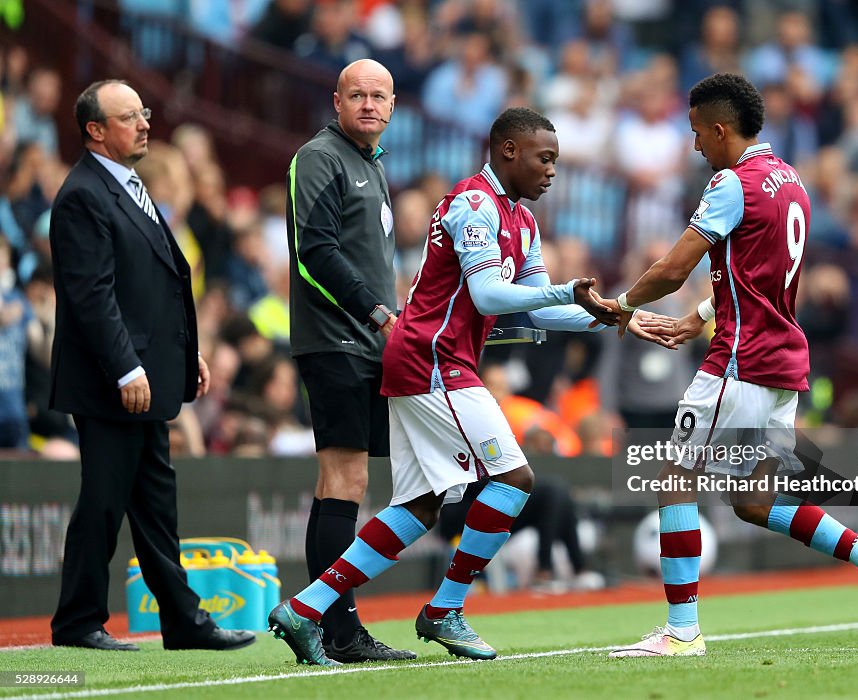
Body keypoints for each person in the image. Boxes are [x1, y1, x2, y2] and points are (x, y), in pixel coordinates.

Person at [269, 107, 661, 665]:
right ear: (508, 151)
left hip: (434, 361)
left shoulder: (522, 221)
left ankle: (304, 608)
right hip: (433, 359)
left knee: (421, 504)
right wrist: (565, 292)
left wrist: (615, 316)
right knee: (514, 478)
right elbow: (489, 296)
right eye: (544, 158)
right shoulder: (475, 203)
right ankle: (445, 609)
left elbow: (539, 310)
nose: (552, 171)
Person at [600, 73, 858, 658]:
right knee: (752, 501)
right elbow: (762, 275)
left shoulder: (731, 183)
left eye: (698, 131)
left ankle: (681, 631)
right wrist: (702, 314)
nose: (695, 143)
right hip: (782, 363)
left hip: (740, 362)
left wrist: (619, 306)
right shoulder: (790, 180)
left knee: (675, 477)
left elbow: (672, 268)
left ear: (721, 129)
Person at [48, 79, 254, 652]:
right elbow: (92, 295)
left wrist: (185, 355)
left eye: (144, 112)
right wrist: (125, 368)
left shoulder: (127, 183)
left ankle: (184, 622)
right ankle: (78, 621)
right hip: (111, 381)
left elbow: (156, 285)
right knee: (104, 500)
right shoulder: (83, 194)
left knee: (156, 505)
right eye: (128, 117)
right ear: (95, 131)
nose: (144, 124)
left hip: (145, 375)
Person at [285, 58, 412, 663]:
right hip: (335, 340)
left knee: (340, 483)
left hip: (366, 342)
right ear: (336, 101)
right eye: (357, 94)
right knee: (347, 479)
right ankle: (338, 630)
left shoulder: (372, 164)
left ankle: (324, 624)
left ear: (393, 105)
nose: (368, 104)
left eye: (378, 96)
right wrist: (378, 313)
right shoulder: (320, 157)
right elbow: (314, 252)